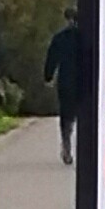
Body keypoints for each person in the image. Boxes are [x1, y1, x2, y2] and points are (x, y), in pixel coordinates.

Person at [44, 16, 93, 166]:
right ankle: (87, 150)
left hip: (67, 81)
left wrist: (48, 76)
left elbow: (52, 57)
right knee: (87, 117)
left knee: (67, 117)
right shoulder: (90, 38)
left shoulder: (61, 38)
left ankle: (67, 146)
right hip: (87, 81)